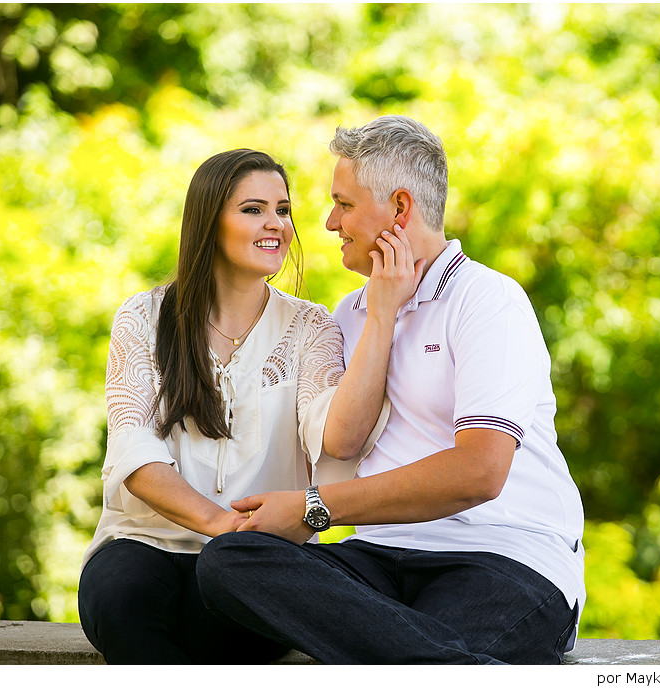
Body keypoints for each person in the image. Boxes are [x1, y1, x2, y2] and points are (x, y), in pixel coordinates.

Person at [196, 117, 585, 664]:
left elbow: (480, 472)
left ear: (400, 209)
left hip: (501, 555)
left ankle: (426, 659)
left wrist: (313, 508)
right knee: (230, 563)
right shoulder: (347, 317)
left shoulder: (487, 300)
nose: (329, 222)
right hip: (379, 559)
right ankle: (446, 664)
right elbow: (333, 445)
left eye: (344, 204)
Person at [77, 148, 423, 664]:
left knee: (231, 613)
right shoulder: (144, 317)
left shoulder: (311, 328)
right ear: (209, 221)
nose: (276, 225)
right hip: (143, 544)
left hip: (255, 562)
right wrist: (222, 525)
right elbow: (136, 456)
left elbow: (340, 438)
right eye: (253, 209)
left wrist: (382, 312)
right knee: (122, 598)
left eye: (283, 210)